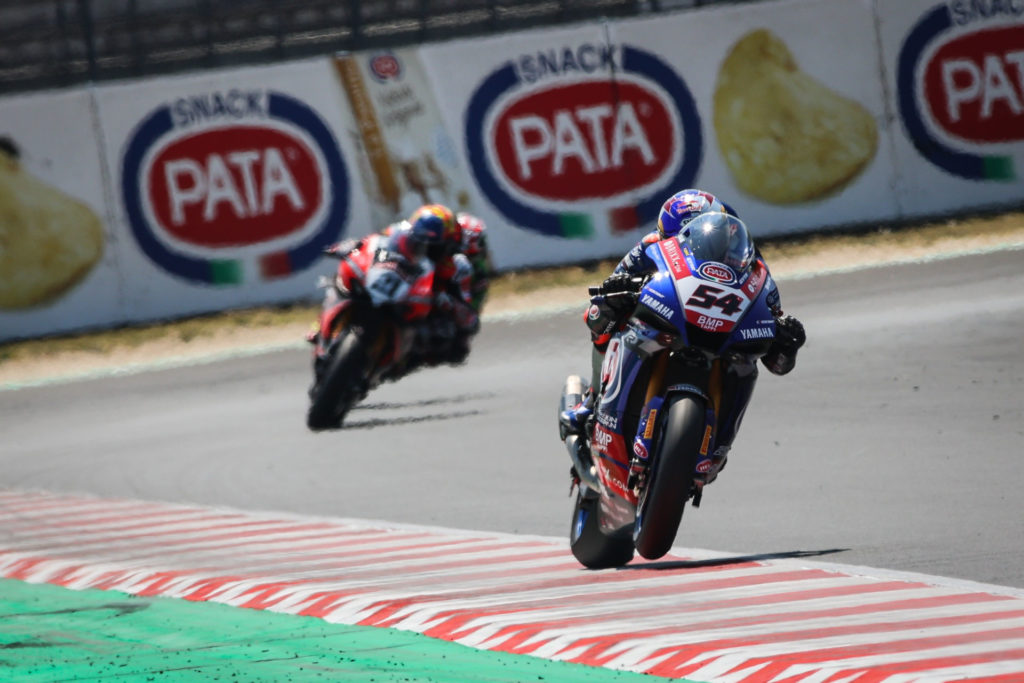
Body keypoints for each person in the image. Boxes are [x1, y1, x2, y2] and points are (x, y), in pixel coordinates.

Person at [559, 188, 806, 483]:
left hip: (720, 328)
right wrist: (614, 296)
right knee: (607, 321)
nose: (675, 243)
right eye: (669, 237)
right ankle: (591, 402)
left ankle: (717, 447)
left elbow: (776, 345)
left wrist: (786, 338)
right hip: (667, 314)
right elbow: (597, 311)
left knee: (746, 363)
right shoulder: (651, 244)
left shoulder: (750, 259)